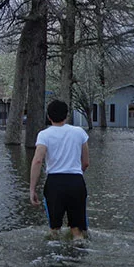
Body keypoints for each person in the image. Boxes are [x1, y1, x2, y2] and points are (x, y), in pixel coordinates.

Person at [29, 99, 90, 240]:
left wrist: (32, 189)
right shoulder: (79, 132)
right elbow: (86, 163)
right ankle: (78, 254)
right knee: (77, 230)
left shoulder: (44, 135)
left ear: (49, 117)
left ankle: (55, 256)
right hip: (76, 181)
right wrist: (76, 175)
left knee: (54, 229)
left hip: (55, 183)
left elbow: (37, 161)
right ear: (67, 115)